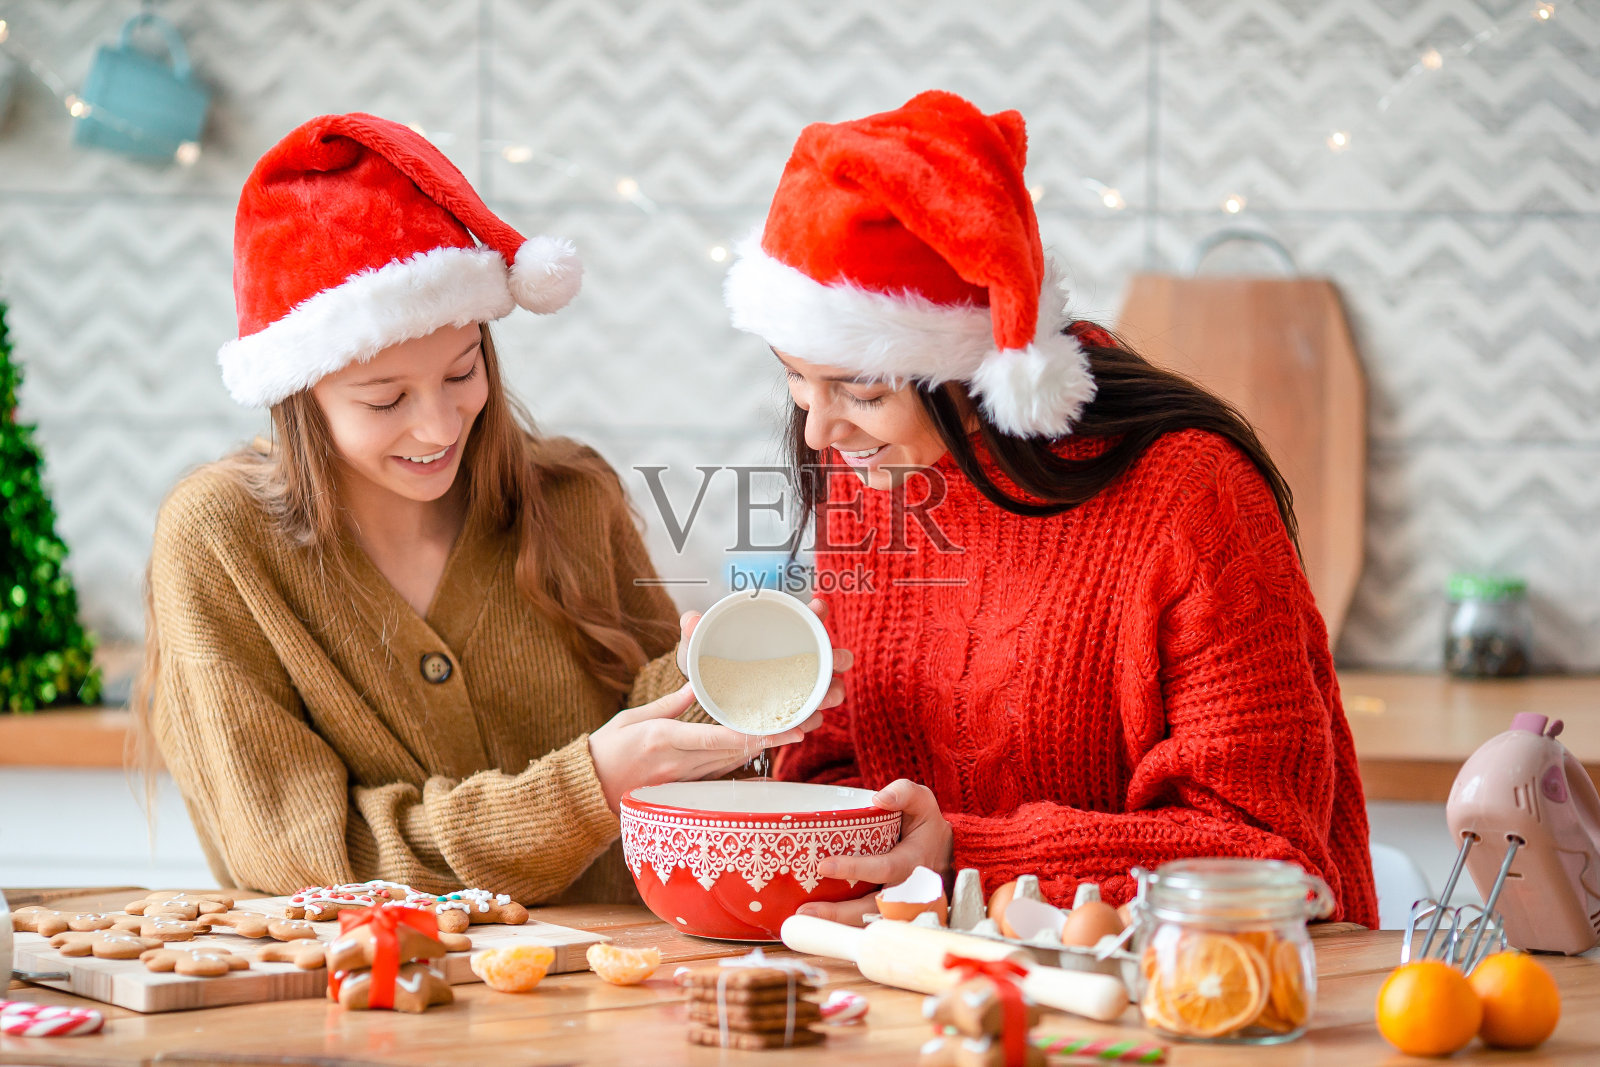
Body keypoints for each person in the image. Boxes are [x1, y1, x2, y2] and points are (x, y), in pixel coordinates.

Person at [133, 113, 841, 905]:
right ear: (301, 397)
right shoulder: (220, 543)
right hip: (360, 1014)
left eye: (462, 371)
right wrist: (586, 790)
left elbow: (655, 753)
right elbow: (311, 859)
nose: (437, 427)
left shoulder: (572, 498)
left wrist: (724, 672)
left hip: (606, 1002)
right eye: (384, 398)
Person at [720, 90, 1379, 926]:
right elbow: (835, 776)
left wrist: (963, 855)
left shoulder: (1192, 498)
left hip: (1201, 999)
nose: (818, 432)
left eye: (861, 389)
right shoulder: (872, 471)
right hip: (932, 990)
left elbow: (1267, 853)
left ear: (972, 366)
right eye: (793, 376)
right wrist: (758, 719)